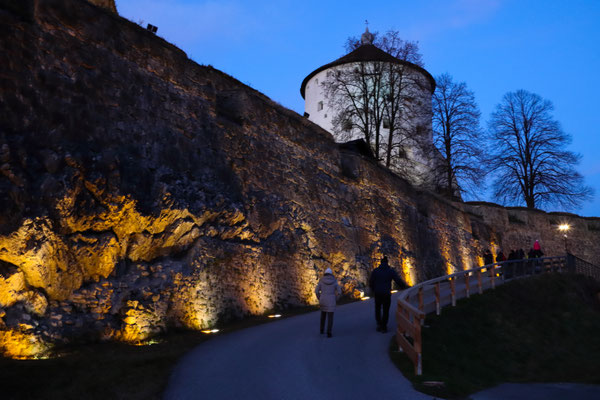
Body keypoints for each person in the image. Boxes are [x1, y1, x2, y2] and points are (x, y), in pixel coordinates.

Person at [369, 256, 406, 333]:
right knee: (386, 310)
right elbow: (397, 279)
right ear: (387, 262)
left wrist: (373, 290)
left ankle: (379, 324)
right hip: (386, 293)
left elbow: (371, 281)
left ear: (381, 263)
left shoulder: (375, 271)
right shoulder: (390, 271)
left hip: (378, 293)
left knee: (378, 308)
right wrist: (404, 287)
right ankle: (384, 326)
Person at [315, 267, 341, 338]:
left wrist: (319, 298)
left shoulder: (321, 280)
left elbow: (316, 291)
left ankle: (322, 330)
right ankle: (329, 332)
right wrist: (336, 299)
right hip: (331, 300)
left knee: (323, 316)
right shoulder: (334, 281)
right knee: (330, 317)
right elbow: (339, 292)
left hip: (323, 300)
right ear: (331, 274)